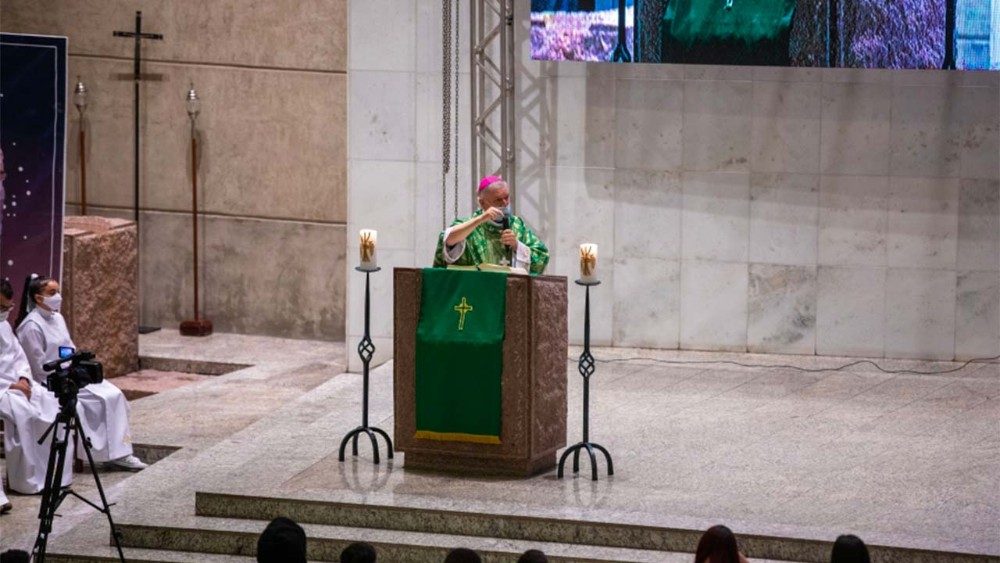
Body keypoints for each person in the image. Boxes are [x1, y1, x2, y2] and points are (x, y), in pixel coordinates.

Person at [15, 275, 146, 471]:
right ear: (38, 298)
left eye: (58, 292)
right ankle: (106, 453)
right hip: (53, 381)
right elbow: (38, 367)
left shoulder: (58, 318)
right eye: (52, 293)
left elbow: (69, 347)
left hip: (72, 373)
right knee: (102, 400)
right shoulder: (31, 327)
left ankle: (121, 452)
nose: (58, 296)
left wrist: (77, 366)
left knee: (115, 394)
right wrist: (65, 374)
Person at [0, 279, 73, 505]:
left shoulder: (4, 325)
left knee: (52, 405)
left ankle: (52, 476)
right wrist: (12, 385)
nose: (5, 312)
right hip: (4, 388)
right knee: (25, 414)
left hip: (19, 384)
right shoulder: (29, 324)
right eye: (1, 308)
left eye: (8, 307)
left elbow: (19, 356)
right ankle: (26, 480)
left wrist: (23, 377)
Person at [433, 175, 549, 275]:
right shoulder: (469, 225)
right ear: (482, 203)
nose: (505, 203)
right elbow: (448, 240)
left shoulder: (517, 225)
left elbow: (542, 256)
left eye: (507, 197)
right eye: (498, 200)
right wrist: (481, 219)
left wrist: (517, 245)